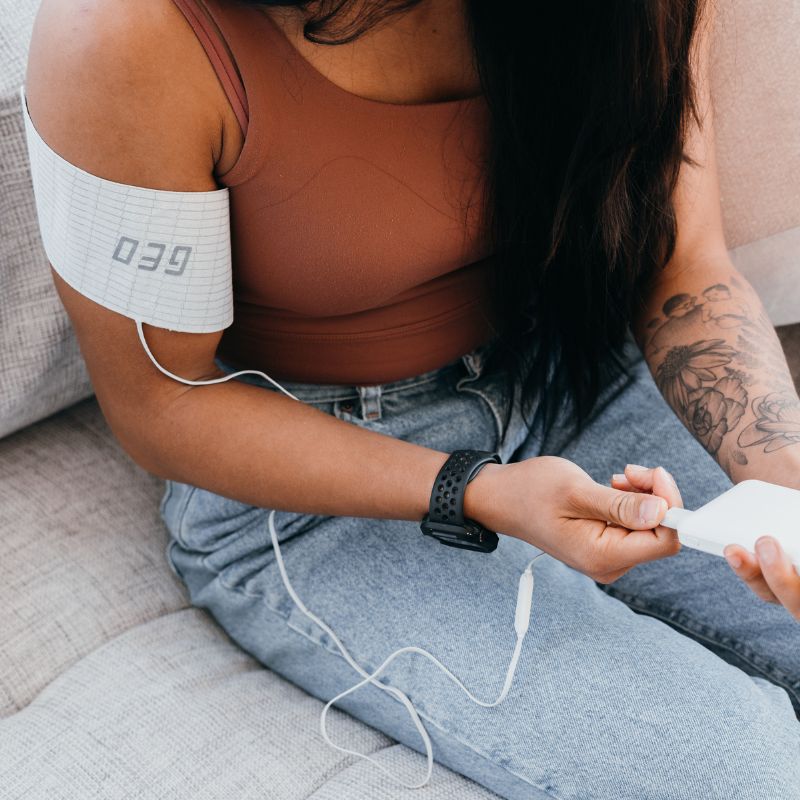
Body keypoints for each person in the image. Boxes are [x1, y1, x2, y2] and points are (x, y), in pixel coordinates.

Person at [26, 0, 800, 798]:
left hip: (571, 363)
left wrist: (787, 482)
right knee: (744, 771)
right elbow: (163, 401)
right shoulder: (126, 33)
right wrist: (478, 491)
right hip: (316, 482)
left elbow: (684, 266)